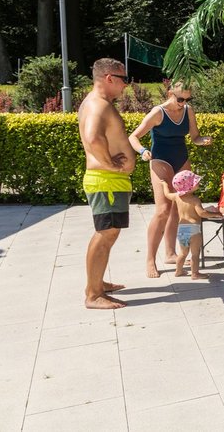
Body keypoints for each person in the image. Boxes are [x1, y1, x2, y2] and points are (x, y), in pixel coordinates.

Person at [129, 82, 212, 278]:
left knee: (179, 206)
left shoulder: (188, 111)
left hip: (181, 159)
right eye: (180, 99)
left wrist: (203, 141)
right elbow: (134, 136)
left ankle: (170, 254)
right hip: (160, 160)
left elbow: (195, 137)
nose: (184, 103)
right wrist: (142, 151)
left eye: (187, 99)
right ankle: (150, 259)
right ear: (170, 94)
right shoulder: (158, 113)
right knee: (163, 209)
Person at [77, 58, 136, 310]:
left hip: (110, 182)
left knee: (109, 234)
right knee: (105, 234)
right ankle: (93, 294)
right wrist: (111, 165)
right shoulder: (98, 105)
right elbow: (93, 137)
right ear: (109, 78)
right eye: (124, 79)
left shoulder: (96, 104)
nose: (126, 85)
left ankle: (97, 283)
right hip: (106, 181)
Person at [161, 169, 223, 279]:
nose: (198, 183)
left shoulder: (176, 196)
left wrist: (164, 184)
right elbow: (202, 213)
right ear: (189, 186)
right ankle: (195, 273)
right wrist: (215, 214)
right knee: (195, 253)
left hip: (181, 229)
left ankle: (178, 271)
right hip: (193, 229)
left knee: (183, 253)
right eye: (195, 182)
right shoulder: (195, 199)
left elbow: (166, 194)